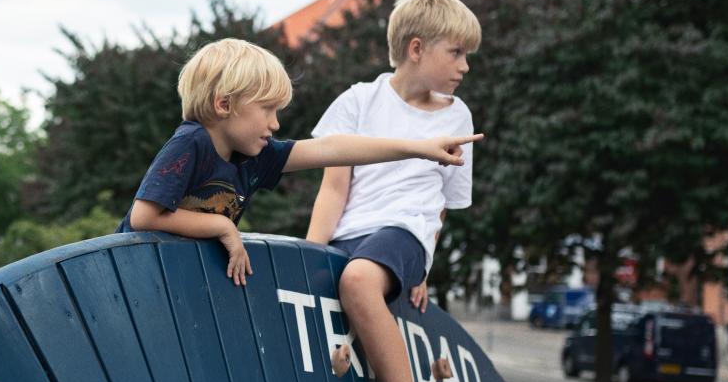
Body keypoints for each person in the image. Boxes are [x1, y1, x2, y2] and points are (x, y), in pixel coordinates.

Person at [119, 38, 482, 287]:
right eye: (267, 110)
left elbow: (332, 149)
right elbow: (145, 216)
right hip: (129, 273)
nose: (275, 124)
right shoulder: (191, 142)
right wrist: (223, 227)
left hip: (172, 277)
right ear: (224, 104)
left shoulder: (254, 158)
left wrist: (417, 147)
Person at [305, 0, 481, 382]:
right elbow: (333, 188)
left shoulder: (456, 115)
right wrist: (311, 254)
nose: (465, 66)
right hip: (351, 235)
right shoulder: (358, 101)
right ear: (417, 48)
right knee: (342, 293)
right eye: (457, 52)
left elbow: (442, 207)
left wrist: (422, 267)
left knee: (359, 282)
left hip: (403, 233)